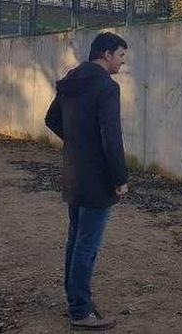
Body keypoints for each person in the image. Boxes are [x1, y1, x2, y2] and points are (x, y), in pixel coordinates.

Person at [45, 31, 130, 331]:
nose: (122, 62)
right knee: (87, 244)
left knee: (76, 239)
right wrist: (120, 178)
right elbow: (111, 135)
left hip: (74, 172)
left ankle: (75, 301)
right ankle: (80, 310)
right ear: (106, 54)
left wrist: (78, 143)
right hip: (97, 178)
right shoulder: (106, 86)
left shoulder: (72, 78)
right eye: (120, 56)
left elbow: (51, 119)